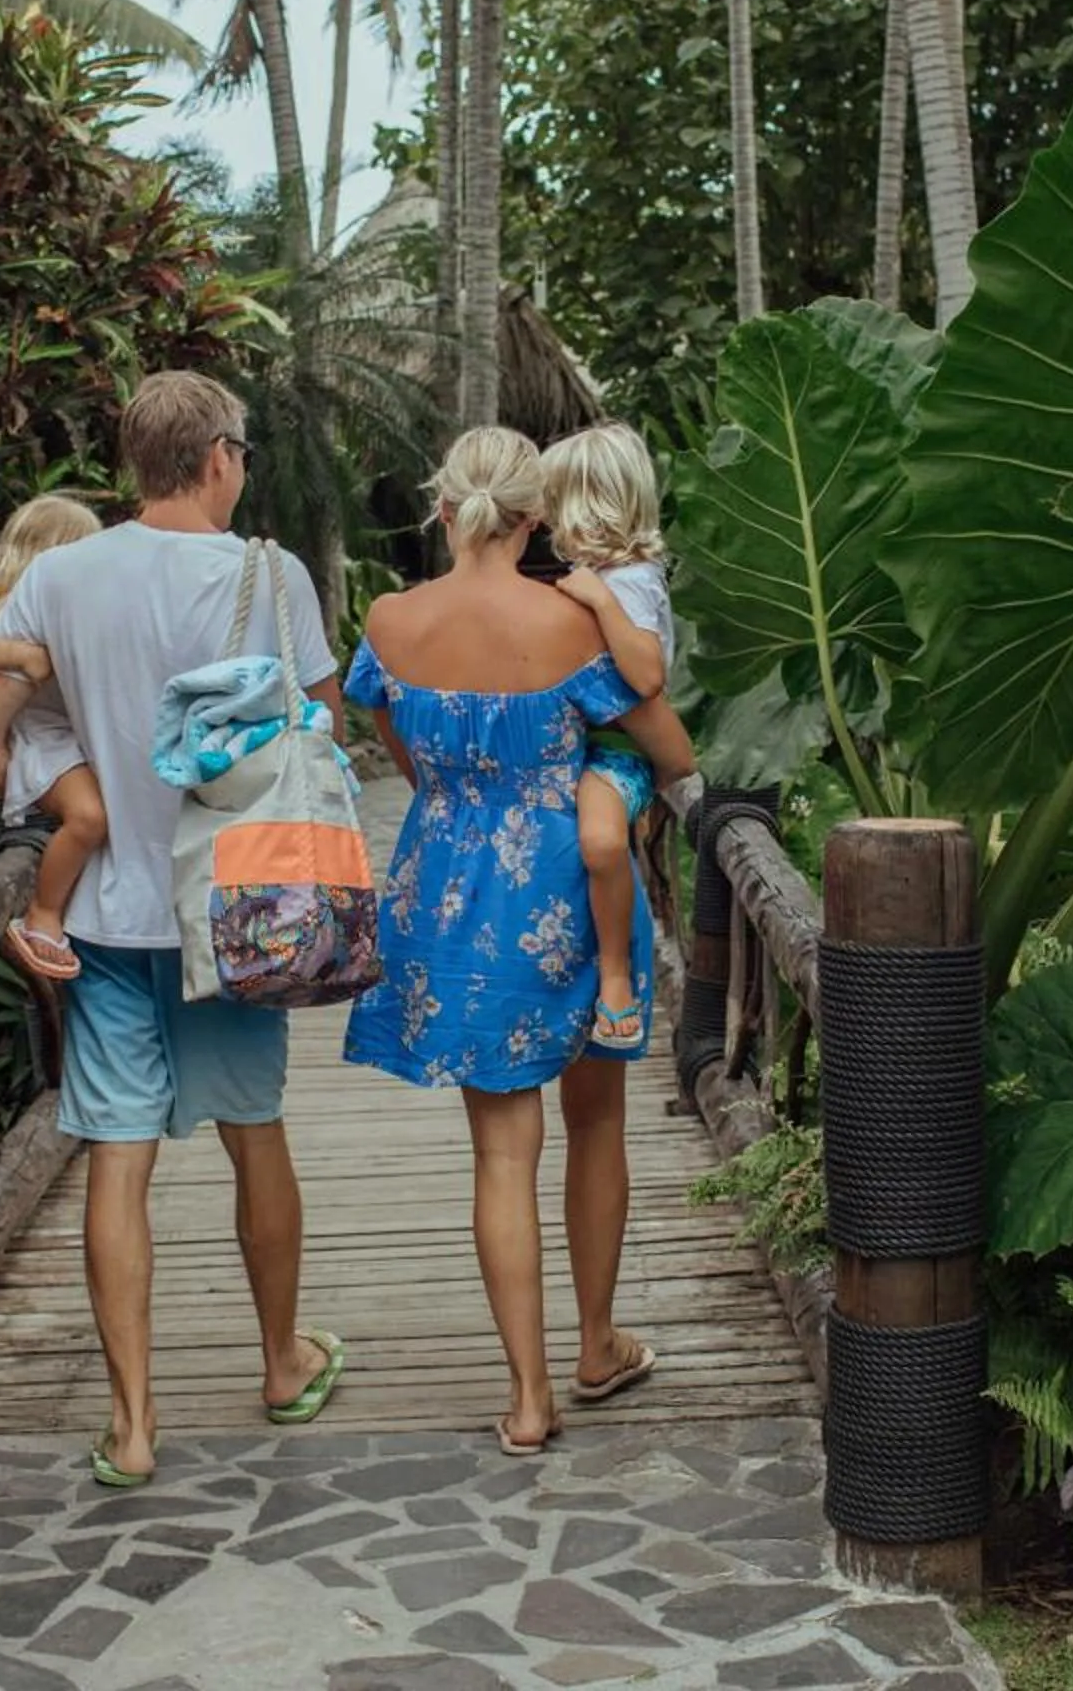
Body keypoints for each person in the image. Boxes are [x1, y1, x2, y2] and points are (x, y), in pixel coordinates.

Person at [0, 373, 347, 1489]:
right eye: (245, 452)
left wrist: (64, 764)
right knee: (254, 1131)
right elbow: (322, 723)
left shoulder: (61, 577)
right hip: (241, 908)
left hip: (106, 919)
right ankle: (280, 1359)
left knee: (116, 1160)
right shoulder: (275, 574)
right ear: (219, 455)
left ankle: (130, 1422)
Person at [342, 428, 695, 1454]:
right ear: (535, 514)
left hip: (450, 890)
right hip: (566, 886)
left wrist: (460, 803)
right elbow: (670, 751)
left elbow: (398, 744)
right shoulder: (572, 622)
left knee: (501, 1150)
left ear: (441, 507)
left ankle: (530, 1395)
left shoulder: (390, 619)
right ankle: (596, 1342)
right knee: (596, 1123)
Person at [539, 424, 689, 1054]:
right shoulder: (594, 575)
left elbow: (647, 676)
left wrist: (600, 602)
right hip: (582, 747)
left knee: (600, 840)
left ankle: (616, 975)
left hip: (618, 754)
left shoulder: (628, 582)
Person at [0, 494, 106, 981]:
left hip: (69, 742)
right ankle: (43, 915)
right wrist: (22, 658)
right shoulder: (24, 615)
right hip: (46, 744)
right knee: (88, 817)